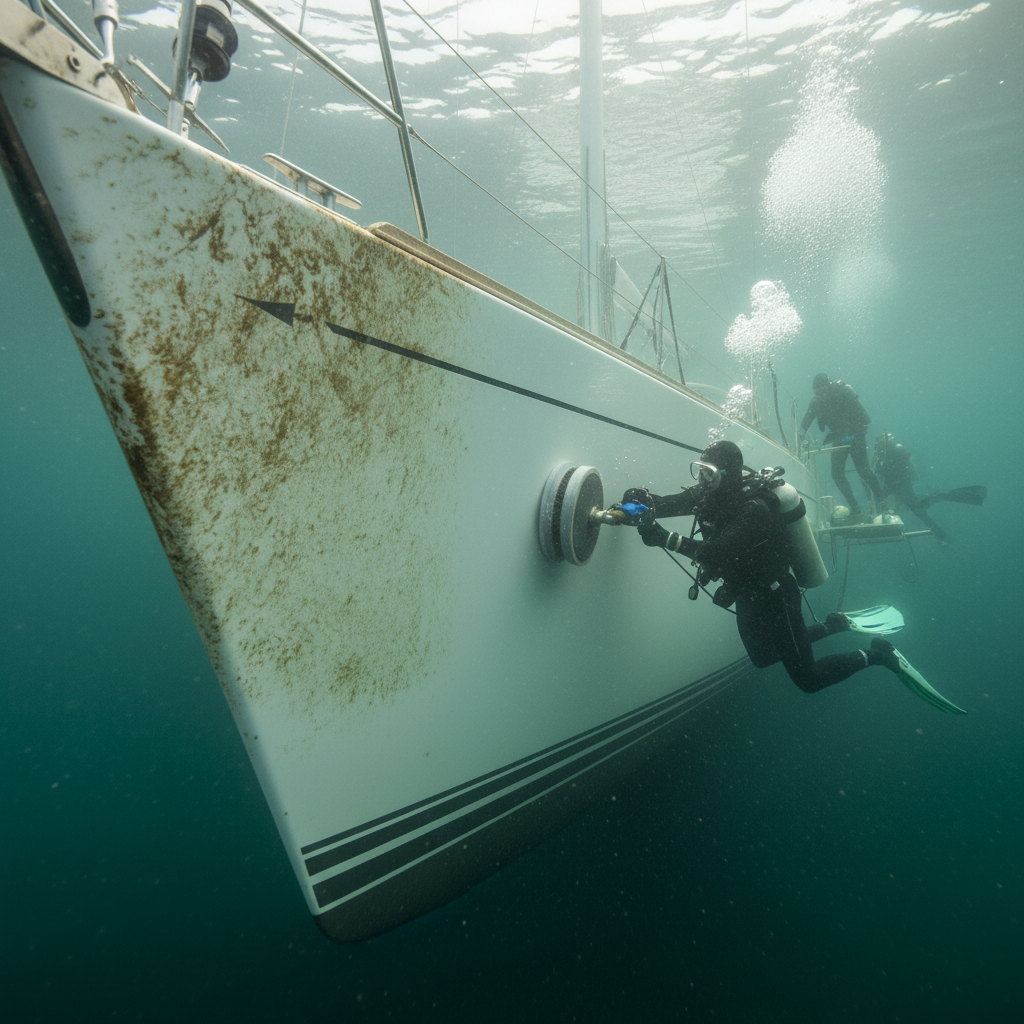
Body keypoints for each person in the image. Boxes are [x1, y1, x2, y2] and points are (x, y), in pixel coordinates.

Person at [620, 439, 904, 695]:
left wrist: (665, 538)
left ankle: (878, 656)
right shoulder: (707, 494)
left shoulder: (753, 508)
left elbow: (716, 554)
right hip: (744, 591)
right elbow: (666, 505)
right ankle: (832, 626)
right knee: (763, 657)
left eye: (708, 472)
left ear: (727, 474)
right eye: (700, 470)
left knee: (809, 679)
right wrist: (641, 500)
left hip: (776, 596)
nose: (702, 479)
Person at [799, 373, 885, 524]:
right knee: (837, 474)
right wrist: (800, 434)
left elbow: (861, 417)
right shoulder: (816, 402)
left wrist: (851, 435)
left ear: (829, 385)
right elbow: (807, 418)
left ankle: (882, 503)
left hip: (855, 435)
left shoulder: (842, 392)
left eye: (821, 390)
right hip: (839, 437)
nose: (820, 394)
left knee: (863, 470)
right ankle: (855, 508)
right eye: (816, 392)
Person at [873, 432, 986, 544]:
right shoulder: (888, 451)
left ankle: (941, 529)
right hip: (898, 485)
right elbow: (907, 466)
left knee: (918, 511)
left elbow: (894, 469)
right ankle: (941, 531)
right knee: (916, 511)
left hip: (900, 485)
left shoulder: (892, 451)